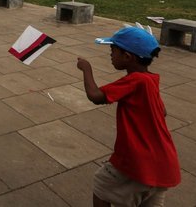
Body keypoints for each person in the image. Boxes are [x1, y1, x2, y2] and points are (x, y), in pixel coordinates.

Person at [76, 26, 181, 207]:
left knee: (103, 185)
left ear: (127, 57)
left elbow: (96, 96)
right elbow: (162, 112)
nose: (110, 54)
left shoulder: (135, 80)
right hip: (163, 162)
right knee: (148, 198)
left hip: (138, 160)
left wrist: (86, 69)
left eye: (113, 50)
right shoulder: (150, 79)